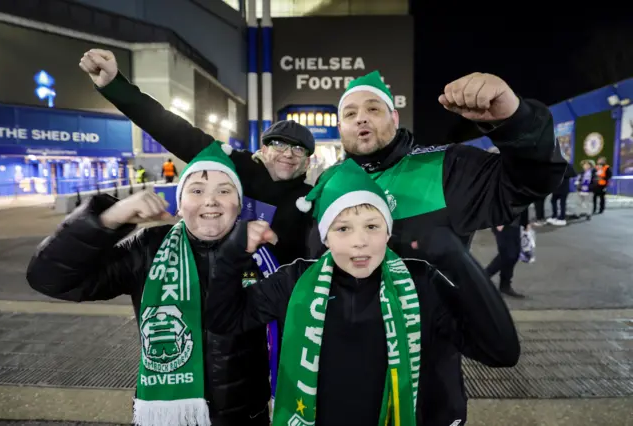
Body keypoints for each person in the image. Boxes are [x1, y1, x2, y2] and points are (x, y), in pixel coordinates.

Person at [205, 159, 519, 426]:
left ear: (388, 232)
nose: (360, 242)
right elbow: (223, 320)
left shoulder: (421, 283)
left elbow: (500, 351)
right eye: (343, 229)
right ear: (325, 237)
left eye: (372, 226)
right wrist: (234, 254)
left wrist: (460, 262)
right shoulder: (293, 281)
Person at [26, 143, 271, 426]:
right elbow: (49, 279)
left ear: (239, 205)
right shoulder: (148, 248)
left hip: (244, 414)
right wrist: (108, 219)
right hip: (166, 412)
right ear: (180, 205)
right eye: (196, 190)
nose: (210, 200)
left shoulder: (261, 252)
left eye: (224, 191)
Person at [79, 49, 314, 265]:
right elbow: (170, 128)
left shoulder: (313, 198)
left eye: (298, 149)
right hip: (211, 282)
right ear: (263, 150)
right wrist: (114, 86)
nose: (288, 154)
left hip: (276, 299)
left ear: (307, 162)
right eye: (279, 144)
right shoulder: (232, 166)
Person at [308, 70, 567, 258]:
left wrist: (516, 119)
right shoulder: (327, 182)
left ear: (395, 118)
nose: (361, 118)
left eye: (373, 109)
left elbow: (532, 180)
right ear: (340, 127)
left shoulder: (447, 166)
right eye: (350, 113)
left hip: (430, 332)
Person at [485, 208, 530, 298]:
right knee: (507, 254)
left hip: (516, 222)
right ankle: (482, 277)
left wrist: (525, 222)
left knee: (514, 255)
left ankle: (505, 285)